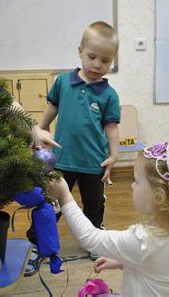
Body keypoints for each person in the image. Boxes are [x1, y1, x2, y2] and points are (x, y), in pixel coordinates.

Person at [48, 140, 169, 296]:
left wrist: (64, 196)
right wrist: (124, 261)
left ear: (158, 196)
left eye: (137, 181)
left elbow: (90, 238)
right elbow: (158, 264)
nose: (132, 185)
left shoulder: (143, 242)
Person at [33, 21, 120, 260]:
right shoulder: (62, 81)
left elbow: (111, 128)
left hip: (94, 162)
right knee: (51, 203)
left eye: (105, 61)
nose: (97, 64)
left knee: (94, 206)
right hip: (61, 159)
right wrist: (38, 131)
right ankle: (37, 242)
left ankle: (94, 240)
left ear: (111, 62)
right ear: (80, 51)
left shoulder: (109, 95)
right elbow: (52, 108)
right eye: (92, 56)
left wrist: (113, 155)